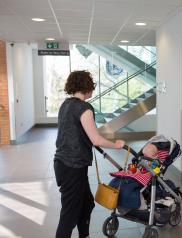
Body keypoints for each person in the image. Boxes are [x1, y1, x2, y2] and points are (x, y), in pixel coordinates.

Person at [53, 70, 125, 238]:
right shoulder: (85, 108)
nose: (93, 89)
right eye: (91, 86)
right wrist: (116, 145)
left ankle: (84, 235)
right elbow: (96, 139)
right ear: (86, 87)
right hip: (73, 167)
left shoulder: (65, 104)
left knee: (86, 204)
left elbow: (73, 131)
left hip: (65, 163)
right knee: (69, 215)